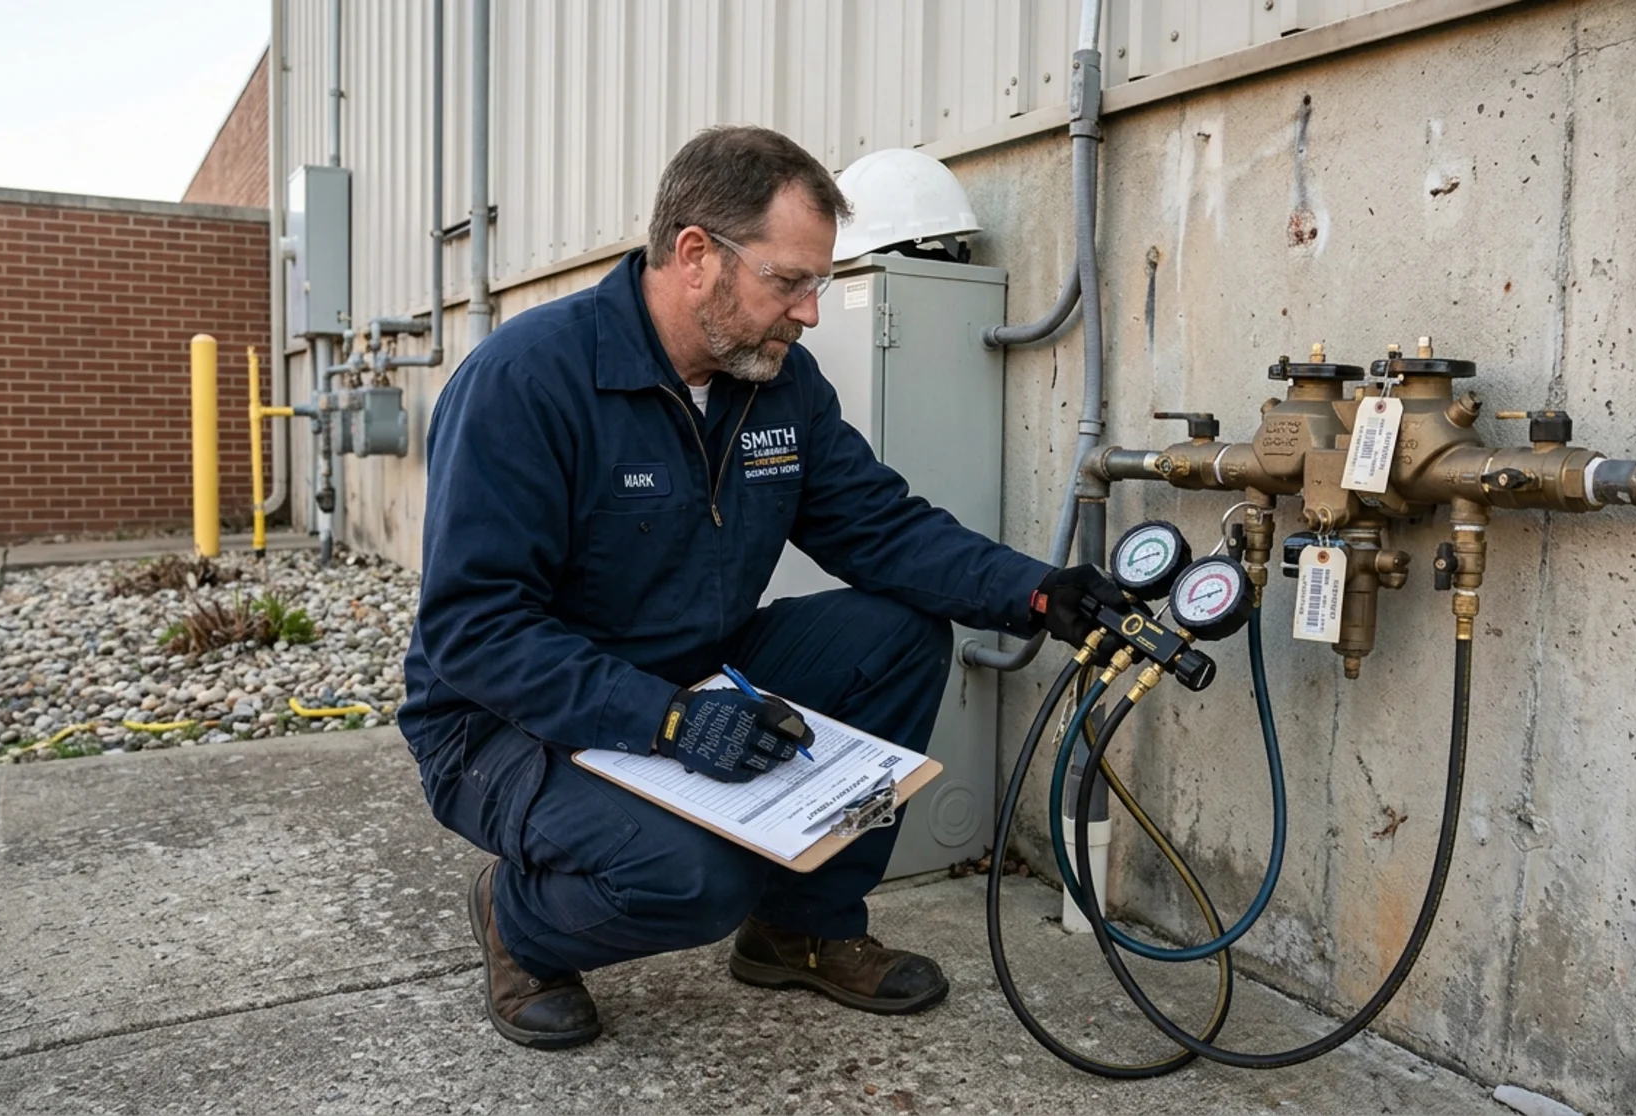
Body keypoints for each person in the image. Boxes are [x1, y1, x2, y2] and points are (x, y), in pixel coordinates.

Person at [399, 125, 1124, 1050]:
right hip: (504, 725)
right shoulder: (530, 381)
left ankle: (800, 929)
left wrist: (1034, 593)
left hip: (689, 675)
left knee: (898, 635)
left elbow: (879, 526)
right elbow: (477, 631)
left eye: (818, 283)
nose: (811, 312)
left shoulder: (774, 384)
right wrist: (666, 720)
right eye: (790, 282)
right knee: (696, 880)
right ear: (696, 255)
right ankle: (521, 922)